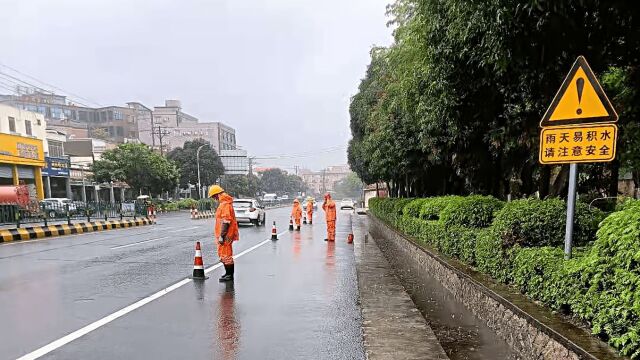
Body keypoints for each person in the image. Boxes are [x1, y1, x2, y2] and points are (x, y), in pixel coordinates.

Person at [209, 185, 239, 282]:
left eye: (214, 197)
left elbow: (226, 221)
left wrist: (222, 235)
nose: (214, 199)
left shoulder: (225, 204)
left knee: (226, 255)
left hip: (225, 235)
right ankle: (228, 274)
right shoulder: (224, 203)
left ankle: (229, 275)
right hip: (225, 234)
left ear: (217, 195)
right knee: (224, 254)